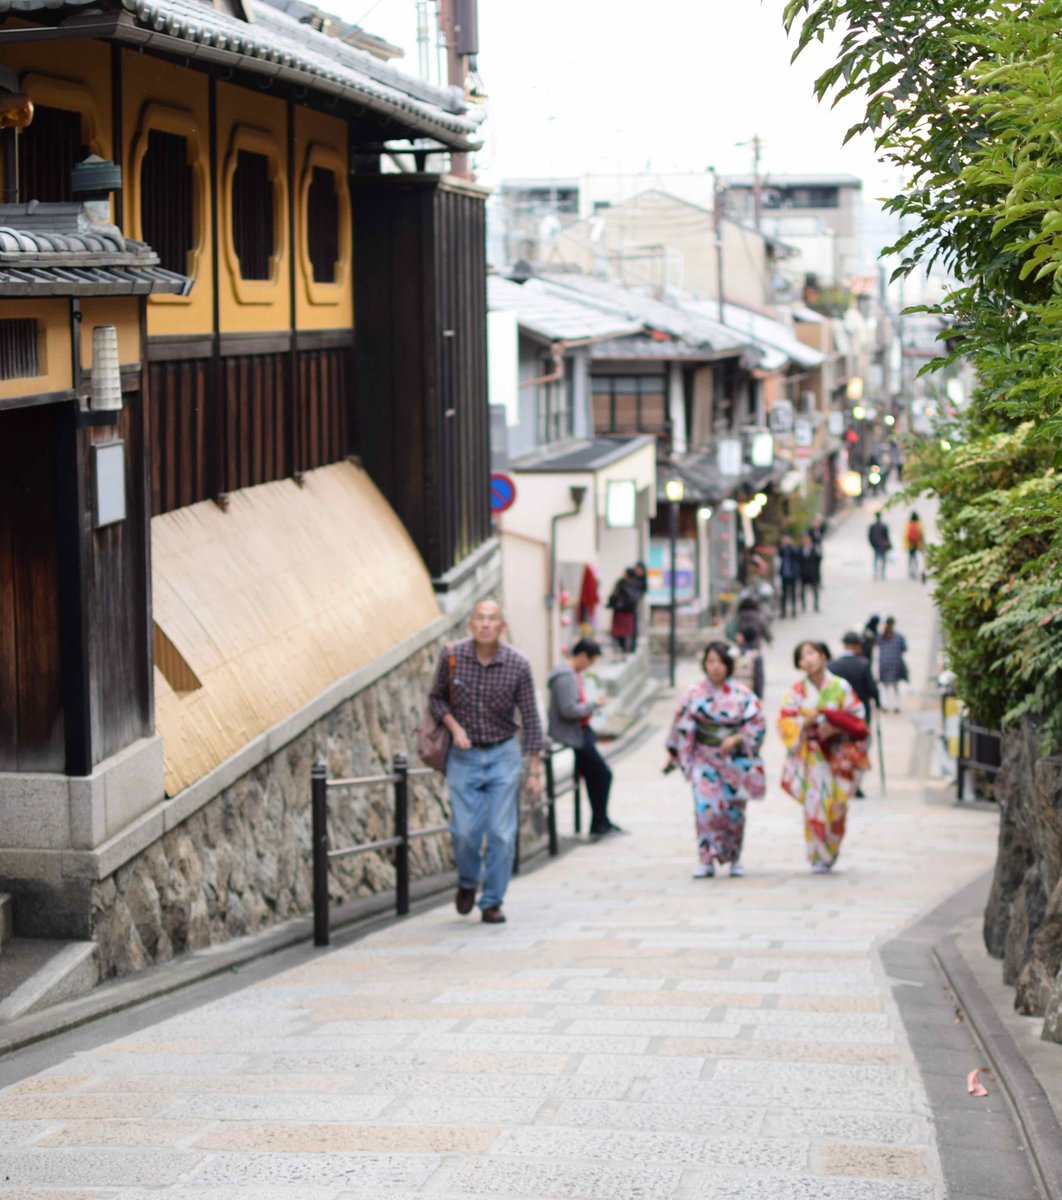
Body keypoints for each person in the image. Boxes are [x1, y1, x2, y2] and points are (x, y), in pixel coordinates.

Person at [429, 599, 544, 924]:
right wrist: (454, 727)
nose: (485, 624)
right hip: (463, 756)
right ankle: (468, 881)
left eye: (492, 619)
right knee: (465, 831)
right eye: (479, 618)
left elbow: (531, 717)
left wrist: (534, 769)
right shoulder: (452, 656)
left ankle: (492, 900)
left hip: (503, 753)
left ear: (502, 626)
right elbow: (436, 699)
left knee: (501, 833)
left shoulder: (518, 663)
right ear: (471, 624)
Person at [666, 641, 766, 878]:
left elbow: (757, 723)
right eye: (711, 661)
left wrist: (739, 738)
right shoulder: (694, 694)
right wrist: (676, 751)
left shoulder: (742, 694)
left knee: (734, 810)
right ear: (704, 664)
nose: (716, 667)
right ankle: (707, 858)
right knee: (705, 809)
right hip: (705, 757)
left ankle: (734, 857)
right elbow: (681, 725)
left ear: (729, 665)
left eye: (721, 662)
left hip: (733, 760)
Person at [778, 641, 870, 873]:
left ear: (822, 656)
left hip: (838, 754)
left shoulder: (840, 687)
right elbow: (784, 722)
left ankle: (832, 845)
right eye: (801, 656)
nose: (806, 659)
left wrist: (836, 728)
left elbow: (857, 716)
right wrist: (803, 722)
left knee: (838, 804)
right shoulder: (796, 691)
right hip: (812, 756)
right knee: (814, 805)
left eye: (811, 653)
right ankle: (817, 854)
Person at [547, 637, 621, 838]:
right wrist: (593, 705)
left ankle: (600, 820)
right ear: (582, 656)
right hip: (574, 736)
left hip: (580, 732)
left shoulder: (572, 674)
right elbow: (568, 709)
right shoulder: (565, 676)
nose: (590, 666)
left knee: (596, 776)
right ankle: (599, 821)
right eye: (590, 661)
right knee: (602, 775)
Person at [829, 632, 880, 798]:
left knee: (838, 746)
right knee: (860, 747)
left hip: (838, 715)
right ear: (857, 646)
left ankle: (839, 776)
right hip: (859, 715)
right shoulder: (863, 664)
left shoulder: (833, 665)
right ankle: (855, 781)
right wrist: (877, 702)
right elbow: (872, 689)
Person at [876, 616, 909, 712]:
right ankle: (896, 705)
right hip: (896, 663)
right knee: (895, 686)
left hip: (884, 663)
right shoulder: (899, 636)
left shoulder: (881, 636)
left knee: (884, 686)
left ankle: (885, 705)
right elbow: (904, 649)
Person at [607, 572, 637, 655]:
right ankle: (623, 650)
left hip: (622, 612)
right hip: (623, 612)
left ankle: (621, 650)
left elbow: (614, 595)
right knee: (622, 633)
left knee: (621, 633)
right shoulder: (628, 584)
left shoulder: (624, 584)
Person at [731, 626, 765, 699]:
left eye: (739, 635)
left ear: (742, 637)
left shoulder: (733, 653)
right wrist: (759, 696)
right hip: (750, 693)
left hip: (734, 692)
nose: (736, 637)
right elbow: (759, 678)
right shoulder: (756, 655)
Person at [777, 534, 801, 618]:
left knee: (793, 593)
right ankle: (783, 611)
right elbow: (779, 554)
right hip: (784, 574)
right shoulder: (782, 548)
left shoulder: (792, 548)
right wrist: (783, 546)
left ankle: (793, 610)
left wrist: (789, 545)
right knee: (784, 593)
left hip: (792, 573)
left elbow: (797, 554)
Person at [798, 531, 822, 613]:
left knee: (814, 590)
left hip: (812, 573)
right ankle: (803, 605)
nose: (805, 540)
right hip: (803, 573)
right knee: (802, 591)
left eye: (806, 539)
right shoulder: (800, 549)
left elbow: (818, 561)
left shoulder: (814, 549)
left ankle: (816, 605)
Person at [868, 513, 892, 580]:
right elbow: (887, 537)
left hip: (875, 545)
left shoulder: (872, 526)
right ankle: (882, 573)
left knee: (876, 559)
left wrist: (872, 544)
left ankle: (875, 572)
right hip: (883, 545)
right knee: (883, 559)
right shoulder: (884, 526)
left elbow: (869, 536)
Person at [904, 512, 925, 581]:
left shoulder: (908, 524)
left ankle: (911, 571)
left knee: (911, 557)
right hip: (917, 543)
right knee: (916, 558)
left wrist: (905, 544)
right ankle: (916, 570)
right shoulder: (919, 524)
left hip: (910, 544)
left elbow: (905, 535)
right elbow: (922, 534)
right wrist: (922, 544)